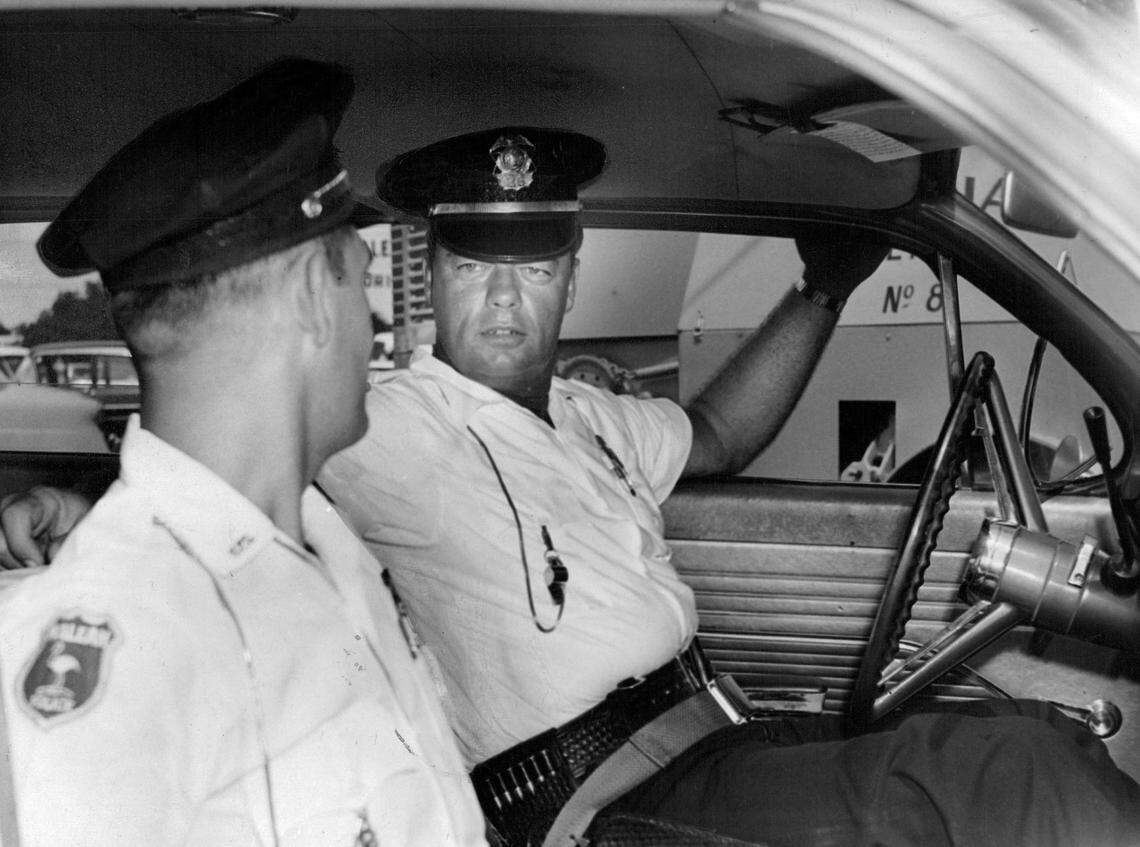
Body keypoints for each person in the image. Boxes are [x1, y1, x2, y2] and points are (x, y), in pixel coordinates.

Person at [4, 127, 1140, 846]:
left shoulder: (597, 416)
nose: (503, 305)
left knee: (1033, 739)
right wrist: (80, 511)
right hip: (600, 801)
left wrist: (821, 291)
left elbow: (717, 433)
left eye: (533, 269)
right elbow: (232, 446)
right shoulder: (381, 425)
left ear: (568, 275)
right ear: (432, 276)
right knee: (1009, 773)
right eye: (470, 271)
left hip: (720, 739)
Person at [0, 60, 485, 846]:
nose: (374, 331)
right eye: (359, 288)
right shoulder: (122, 639)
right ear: (308, 298)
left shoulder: (325, 546)